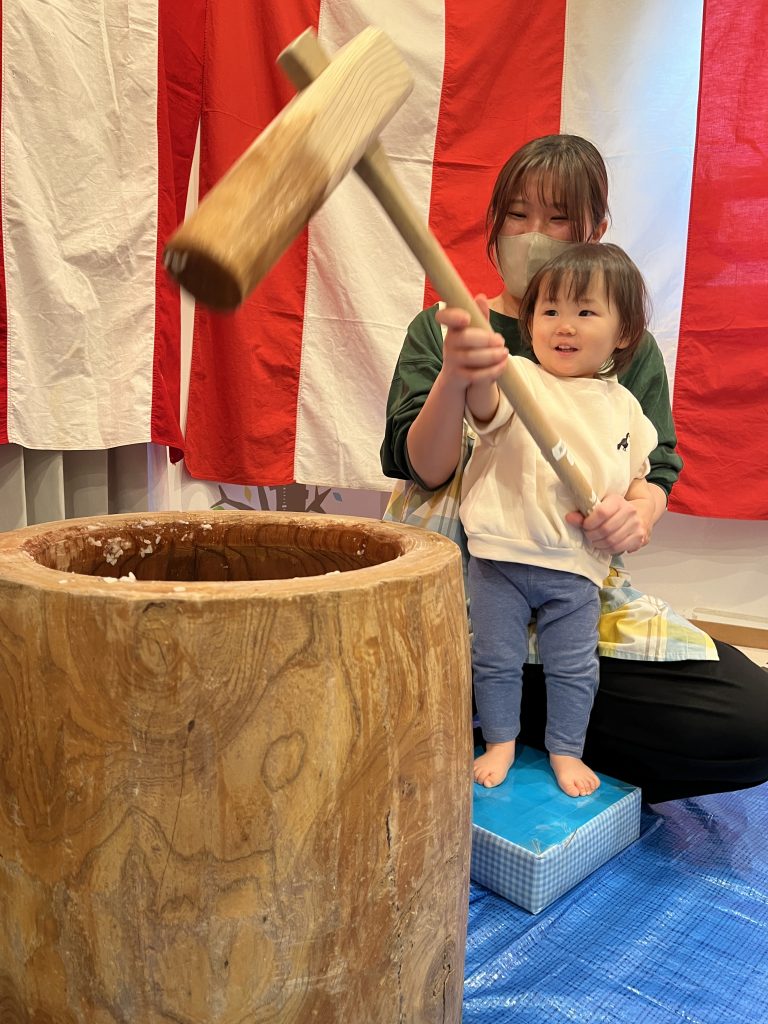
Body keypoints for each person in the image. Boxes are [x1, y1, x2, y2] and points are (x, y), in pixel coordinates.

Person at [381, 134, 768, 804]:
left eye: (559, 218)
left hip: (571, 592)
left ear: (595, 229)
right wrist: (455, 375)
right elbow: (424, 467)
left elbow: (654, 468)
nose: (535, 234)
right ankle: (497, 705)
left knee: (750, 722)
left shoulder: (623, 349)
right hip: (458, 595)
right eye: (518, 214)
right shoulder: (453, 328)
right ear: (494, 223)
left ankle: (511, 713)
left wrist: (637, 513)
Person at [465, 243, 657, 796]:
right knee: (494, 659)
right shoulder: (518, 376)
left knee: (574, 668)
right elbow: (483, 408)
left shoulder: (625, 406)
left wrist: (636, 506)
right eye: (549, 311)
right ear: (530, 323)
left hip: (577, 566)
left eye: (585, 311)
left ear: (624, 333)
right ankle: (500, 740)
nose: (564, 325)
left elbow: (639, 475)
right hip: (499, 556)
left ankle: (566, 749)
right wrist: (477, 364)